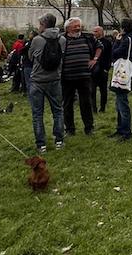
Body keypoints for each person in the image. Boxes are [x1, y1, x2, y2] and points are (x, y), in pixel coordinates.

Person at [28, 14, 67, 153]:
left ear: (44, 25)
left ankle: (41, 145)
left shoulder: (37, 39)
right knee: (58, 111)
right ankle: (59, 141)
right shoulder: (62, 39)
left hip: (38, 80)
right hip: (55, 79)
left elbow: (30, 57)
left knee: (37, 114)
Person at [60, 17, 98, 137]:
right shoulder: (61, 39)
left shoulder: (87, 37)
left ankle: (89, 127)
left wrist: (95, 59)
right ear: (67, 28)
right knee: (67, 103)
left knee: (86, 102)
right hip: (67, 77)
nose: (77, 28)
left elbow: (100, 46)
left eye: (79, 25)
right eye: (75, 26)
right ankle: (70, 129)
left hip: (84, 76)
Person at [108, 18, 132, 141]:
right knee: (119, 103)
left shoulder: (126, 40)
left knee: (122, 103)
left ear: (123, 28)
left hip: (123, 72)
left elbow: (115, 53)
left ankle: (126, 131)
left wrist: (116, 42)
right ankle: (120, 128)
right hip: (124, 73)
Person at [91, 25, 113, 113]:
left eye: (96, 31)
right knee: (92, 89)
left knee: (103, 90)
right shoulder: (92, 42)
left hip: (103, 69)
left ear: (101, 32)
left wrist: (106, 68)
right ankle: (93, 108)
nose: (94, 33)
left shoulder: (107, 42)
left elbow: (109, 56)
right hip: (93, 69)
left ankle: (103, 107)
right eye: (93, 31)